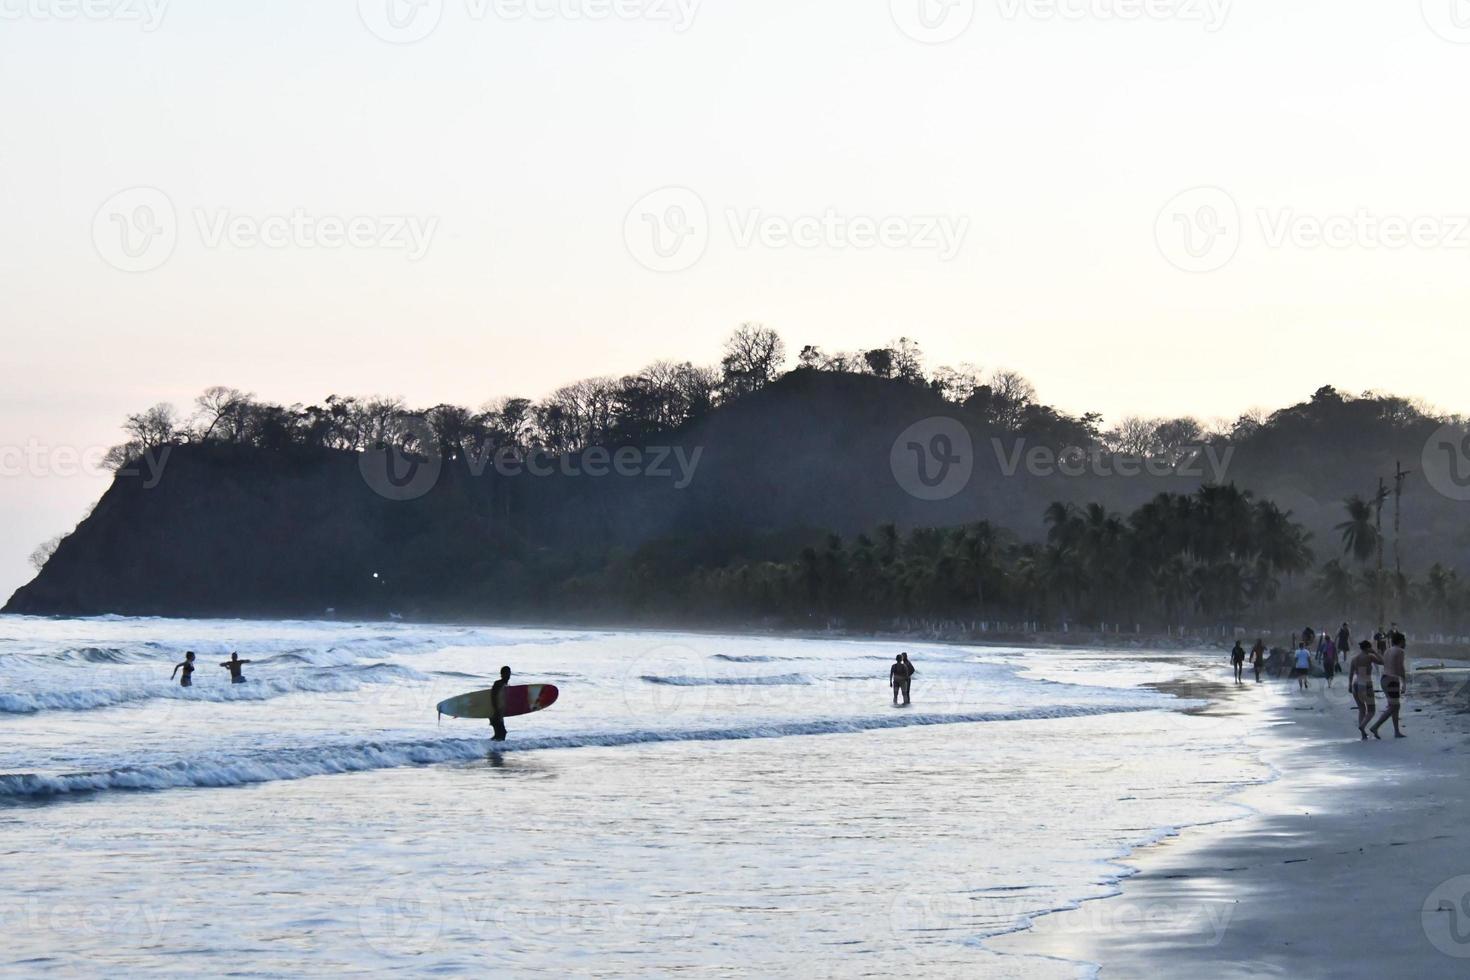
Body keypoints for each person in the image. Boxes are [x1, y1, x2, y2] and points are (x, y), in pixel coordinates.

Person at [1370, 631, 1409, 739]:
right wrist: (1404, 683)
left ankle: (1396, 731)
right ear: (1401, 641)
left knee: (1394, 706)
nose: (1406, 643)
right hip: (1392, 680)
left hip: (1384, 679)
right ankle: (1375, 726)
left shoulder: (1387, 650)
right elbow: (1400, 667)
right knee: (1395, 706)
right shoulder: (1400, 651)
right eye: (1405, 641)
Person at [1348, 640, 1384, 739]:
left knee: (1362, 709)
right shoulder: (1370, 657)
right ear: (1368, 648)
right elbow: (1382, 662)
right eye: (1370, 647)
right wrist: (1375, 652)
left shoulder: (1354, 659)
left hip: (1356, 683)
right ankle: (1362, 726)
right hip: (1366, 684)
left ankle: (1363, 734)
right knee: (1371, 711)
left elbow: (1351, 674)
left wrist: (1349, 686)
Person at [490, 665, 511, 741]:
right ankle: (490, 747)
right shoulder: (498, 683)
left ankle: (493, 748)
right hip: (495, 713)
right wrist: (496, 711)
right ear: (502, 674)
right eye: (507, 674)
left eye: (509, 674)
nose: (508, 676)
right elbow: (493, 697)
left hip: (499, 713)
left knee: (500, 734)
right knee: (501, 733)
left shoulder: (506, 685)